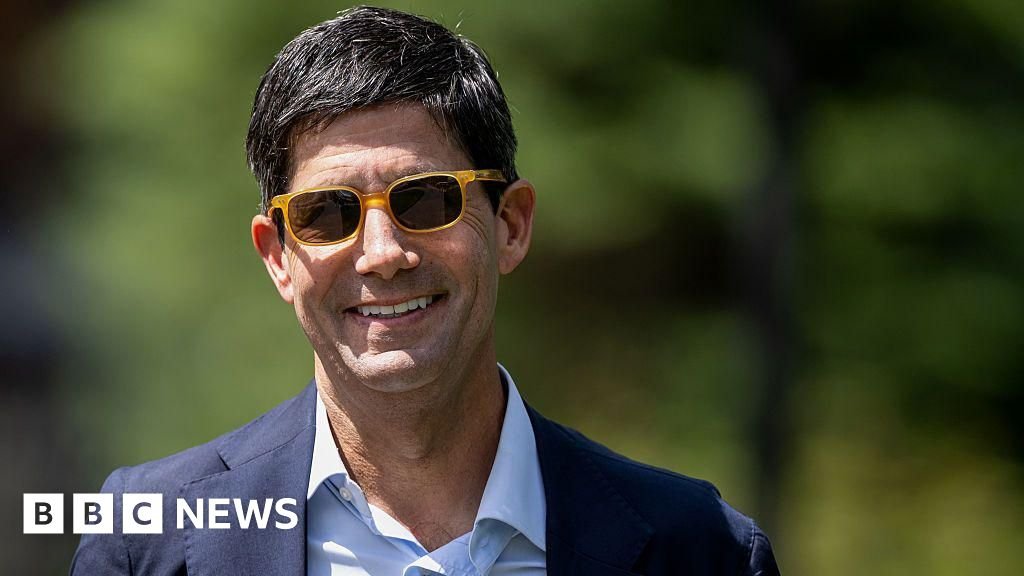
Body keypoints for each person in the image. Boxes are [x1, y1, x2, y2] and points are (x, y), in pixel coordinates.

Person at [71, 6, 779, 575]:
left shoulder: (704, 551)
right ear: (278, 257)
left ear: (510, 225)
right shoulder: (144, 540)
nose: (383, 254)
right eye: (327, 215)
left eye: (427, 200)